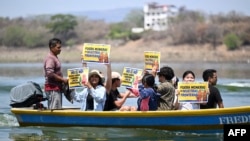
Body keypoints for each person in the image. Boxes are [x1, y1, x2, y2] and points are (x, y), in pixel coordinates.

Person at [43, 38, 68, 110]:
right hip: (52, 88)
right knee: (55, 110)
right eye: (58, 47)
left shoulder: (54, 57)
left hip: (56, 88)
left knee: (57, 109)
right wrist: (63, 80)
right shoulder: (50, 58)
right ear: (52, 47)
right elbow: (49, 73)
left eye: (60, 47)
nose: (60, 49)